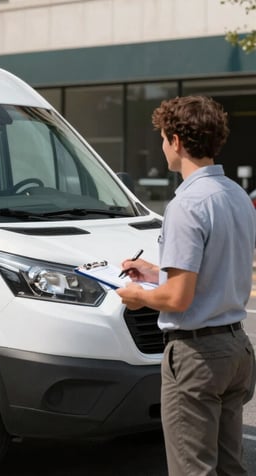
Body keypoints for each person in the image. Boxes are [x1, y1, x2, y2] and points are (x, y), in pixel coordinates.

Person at [116, 96, 256, 476]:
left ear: (176, 141)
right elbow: (216, 268)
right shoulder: (237, 196)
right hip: (235, 348)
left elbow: (178, 298)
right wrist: (155, 271)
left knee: (192, 470)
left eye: (163, 138)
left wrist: (139, 297)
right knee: (230, 467)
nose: (163, 147)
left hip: (197, 356)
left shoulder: (186, 204)